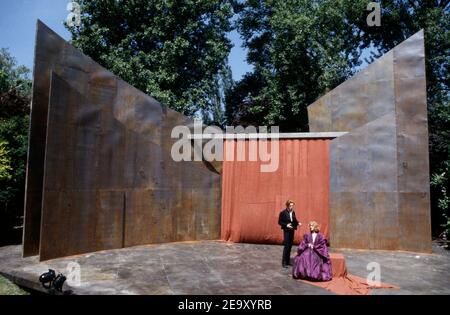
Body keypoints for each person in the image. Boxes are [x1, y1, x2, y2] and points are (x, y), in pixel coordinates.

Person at [278, 200, 300, 268]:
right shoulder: (283, 213)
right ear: (287, 206)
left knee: (290, 246)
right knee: (286, 246)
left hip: (292, 230)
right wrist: (286, 225)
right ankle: (284, 262)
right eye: (290, 205)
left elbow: (294, 220)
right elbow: (280, 222)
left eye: (292, 205)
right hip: (287, 231)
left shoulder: (293, 212)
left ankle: (288, 261)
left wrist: (298, 223)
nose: (292, 207)